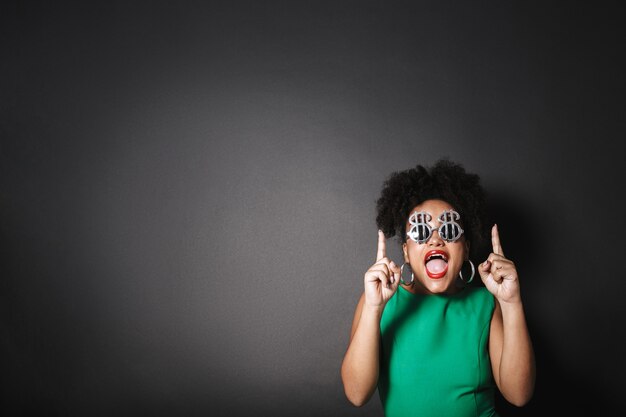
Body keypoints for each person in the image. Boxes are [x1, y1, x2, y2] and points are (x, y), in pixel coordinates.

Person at [340, 159, 535, 416]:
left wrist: (511, 303)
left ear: (465, 248)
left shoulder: (485, 304)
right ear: (407, 252)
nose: (435, 239)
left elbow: (519, 395)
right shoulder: (376, 303)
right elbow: (356, 394)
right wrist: (374, 309)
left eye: (449, 230)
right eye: (421, 231)